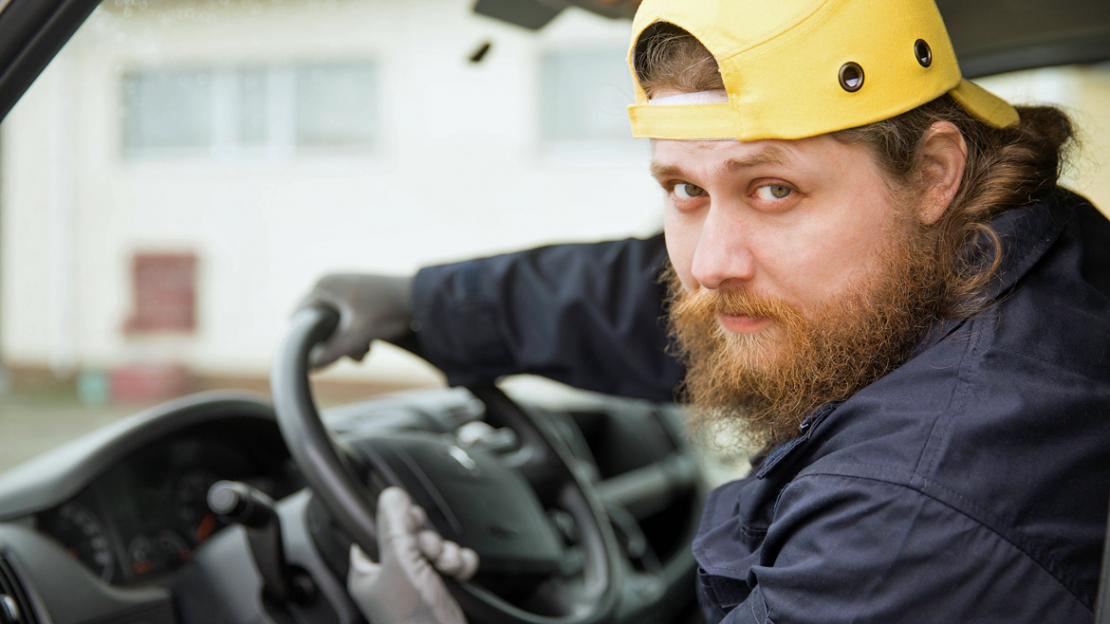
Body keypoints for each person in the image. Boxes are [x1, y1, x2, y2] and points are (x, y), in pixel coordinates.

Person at [302, 0, 1110, 621]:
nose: (712, 264)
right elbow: (657, 298)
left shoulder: (911, 514)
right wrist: (429, 304)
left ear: (934, 172)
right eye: (686, 190)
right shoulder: (1005, 248)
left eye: (773, 189)